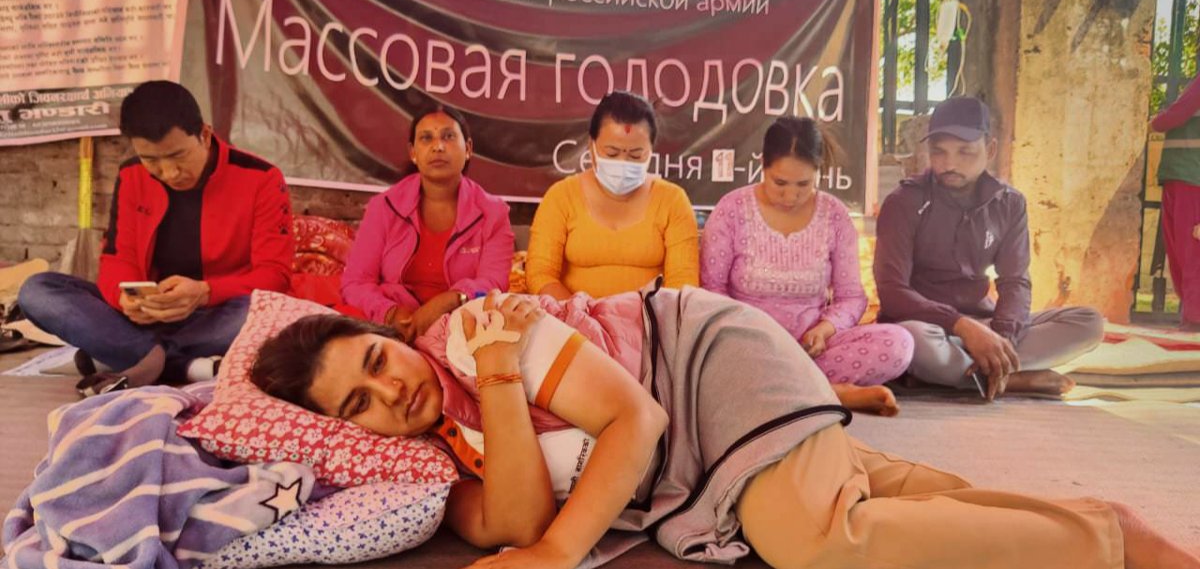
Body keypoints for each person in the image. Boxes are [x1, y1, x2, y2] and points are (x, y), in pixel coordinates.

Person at [251, 287, 1198, 569]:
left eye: (376, 359)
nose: (391, 391)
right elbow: (515, 520)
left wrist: (556, 555)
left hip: (703, 357)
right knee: (856, 481)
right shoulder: (435, 461)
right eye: (358, 404)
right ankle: (1078, 520)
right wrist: (497, 393)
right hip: (699, 446)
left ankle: (1107, 543)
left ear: (388, 335)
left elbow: (638, 414)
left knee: (812, 537)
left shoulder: (478, 329)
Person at [18, 80, 293, 395]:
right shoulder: (131, 175)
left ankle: (126, 355)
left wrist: (204, 292)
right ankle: (183, 365)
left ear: (204, 135)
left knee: (266, 314)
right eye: (152, 160)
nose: (169, 172)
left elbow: (275, 276)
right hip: (145, 317)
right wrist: (124, 299)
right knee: (38, 291)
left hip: (216, 314)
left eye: (178, 155)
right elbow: (117, 258)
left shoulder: (261, 178)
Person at [874, 96, 1103, 400]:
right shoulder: (904, 202)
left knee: (1088, 322)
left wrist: (1001, 338)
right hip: (928, 327)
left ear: (990, 150)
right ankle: (1014, 379)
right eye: (939, 151)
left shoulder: (1009, 203)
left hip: (985, 324)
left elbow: (1015, 281)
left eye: (965, 152)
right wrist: (961, 326)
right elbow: (892, 292)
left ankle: (973, 373)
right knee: (912, 342)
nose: (949, 164)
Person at [702, 117, 913, 416]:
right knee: (709, 358)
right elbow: (711, 291)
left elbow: (851, 297)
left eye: (804, 184)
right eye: (779, 183)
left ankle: (783, 391)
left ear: (818, 171)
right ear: (762, 165)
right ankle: (827, 394)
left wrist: (824, 330)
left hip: (810, 350)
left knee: (898, 344)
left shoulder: (835, 216)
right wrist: (748, 333)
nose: (791, 196)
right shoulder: (731, 210)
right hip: (746, 343)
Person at [341, 104, 514, 342]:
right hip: (391, 329)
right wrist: (390, 312)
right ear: (413, 153)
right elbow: (356, 283)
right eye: (426, 138)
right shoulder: (384, 207)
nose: (438, 146)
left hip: (463, 328)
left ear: (468, 149)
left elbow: (493, 283)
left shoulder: (493, 213)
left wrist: (452, 299)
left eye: (448, 136)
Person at [526, 91, 699, 299]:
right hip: (571, 316)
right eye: (612, 153)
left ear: (651, 151)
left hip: (652, 318)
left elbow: (683, 283)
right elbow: (540, 274)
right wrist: (578, 314)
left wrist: (646, 316)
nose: (623, 163)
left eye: (636, 155)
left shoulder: (672, 201)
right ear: (591, 146)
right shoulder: (561, 197)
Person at [1150, 71, 1200, 330]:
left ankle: (1195, 319)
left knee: (1190, 253)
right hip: (1181, 176)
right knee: (1181, 251)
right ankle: (1191, 316)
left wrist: (1154, 123)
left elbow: (1178, 114)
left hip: (1192, 178)